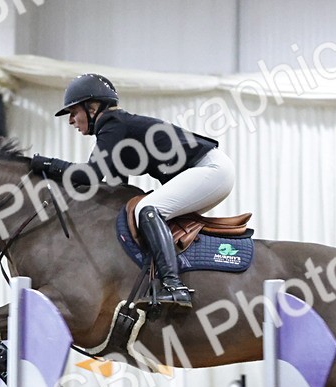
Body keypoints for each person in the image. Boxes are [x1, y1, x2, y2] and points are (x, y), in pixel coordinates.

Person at [29, 73, 235, 308]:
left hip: (211, 170)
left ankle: (174, 286)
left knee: (147, 209)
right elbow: (118, 190)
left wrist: (46, 164)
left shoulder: (112, 123)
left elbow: (90, 175)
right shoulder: (117, 130)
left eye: (74, 112)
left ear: (93, 107)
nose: (71, 120)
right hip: (208, 172)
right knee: (140, 211)